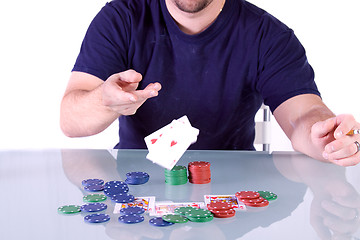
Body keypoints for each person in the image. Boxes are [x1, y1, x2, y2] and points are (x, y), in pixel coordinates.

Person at [60, 0, 360, 166]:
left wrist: (324, 134)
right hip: (139, 181)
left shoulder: (268, 36)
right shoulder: (121, 18)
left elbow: (302, 116)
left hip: (234, 189)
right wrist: (104, 100)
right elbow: (71, 122)